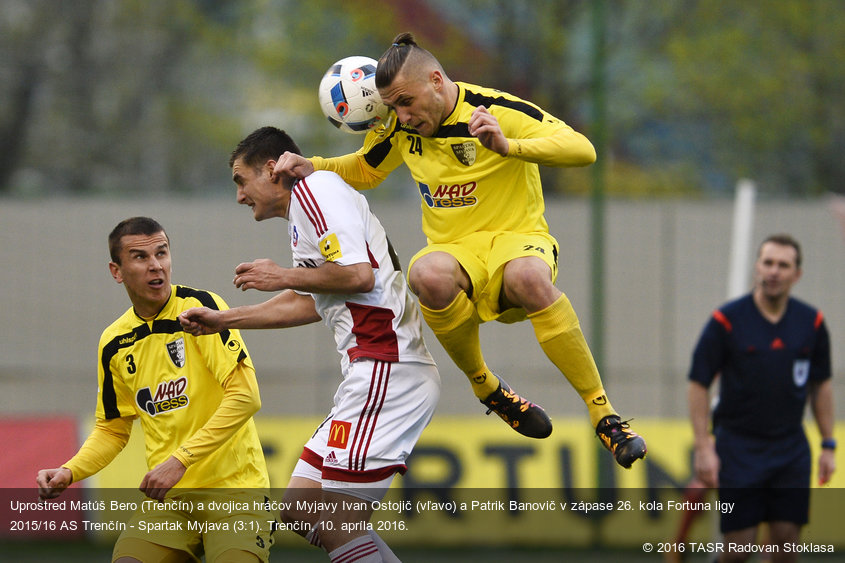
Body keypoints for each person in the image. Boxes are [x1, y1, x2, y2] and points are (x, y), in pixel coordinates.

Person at [271, 32, 646, 467]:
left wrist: (509, 147)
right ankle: (485, 385)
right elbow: (366, 170)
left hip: (516, 239)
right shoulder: (400, 127)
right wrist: (313, 164)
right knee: (425, 274)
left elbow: (583, 151)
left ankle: (604, 416)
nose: (402, 116)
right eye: (393, 107)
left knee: (527, 277)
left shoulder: (496, 110)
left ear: (435, 79)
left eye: (407, 102)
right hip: (456, 250)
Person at [179, 126, 440, 563]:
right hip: (372, 369)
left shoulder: (316, 190)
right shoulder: (305, 209)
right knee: (302, 508)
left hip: (387, 366)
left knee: (336, 523)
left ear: (269, 169)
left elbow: (358, 275)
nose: (240, 196)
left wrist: (279, 273)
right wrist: (224, 320)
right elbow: (311, 301)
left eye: (241, 182)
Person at [36, 217, 275, 563]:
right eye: (140, 257)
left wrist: (180, 461)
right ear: (116, 271)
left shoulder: (203, 310)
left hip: (236, 493)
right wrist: (70, 471)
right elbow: (112, 428)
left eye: (161, 253)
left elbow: (246, 396)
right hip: (171, 502)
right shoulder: (114, 342)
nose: (155, 266)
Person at [688, 233, 836, 562]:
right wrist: (703, 447)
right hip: (738, 447)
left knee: (786, 546)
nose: (774, 271)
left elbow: (821, 385)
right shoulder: (726, 320)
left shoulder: (812, 322)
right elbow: (698, 384)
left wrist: (828, 444)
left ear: (796, 274)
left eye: (783, 265)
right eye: (768, 263)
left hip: (790, 447)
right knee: (739, 548)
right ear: (757, 267)